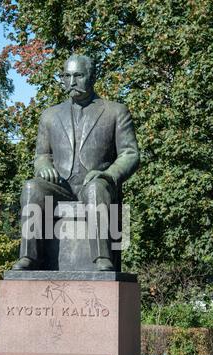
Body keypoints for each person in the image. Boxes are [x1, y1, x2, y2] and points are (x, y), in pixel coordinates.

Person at [12, 54, 139, 271]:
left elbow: (130, 154)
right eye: (66, 76)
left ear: (92, 76)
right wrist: (43, 166)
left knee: (96, 189)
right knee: (31, 187)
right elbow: (42, 155)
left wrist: (109, 174)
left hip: (96, 183)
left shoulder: (115, 111)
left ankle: (101, 259)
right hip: (60, 186)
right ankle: (29, 257)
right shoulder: (49, 115)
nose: (72, 82)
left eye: (78, 75)